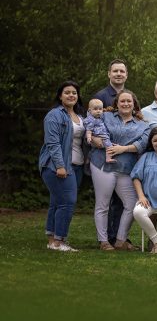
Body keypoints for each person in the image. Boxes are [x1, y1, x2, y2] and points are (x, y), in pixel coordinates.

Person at [89, 89, 150, 251]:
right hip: (103, 164)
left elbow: (142, 145)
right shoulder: (105, 116)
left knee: (132, 204)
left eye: (129, 101)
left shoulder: (143, 125)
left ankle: (120, 240)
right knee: (103, 204)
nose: (126, 104)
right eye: (122, 101)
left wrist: (123, 149)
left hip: (126, 168)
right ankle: (103, 241)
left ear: (134, 104)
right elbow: (90, 129)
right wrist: (99, 142)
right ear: (116, 103)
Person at [39, 81, 85, 252]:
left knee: (57, 202)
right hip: (58, 166)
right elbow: (52, 143)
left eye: (74, 92)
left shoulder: (80, 116)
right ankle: (60, 241)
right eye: (67, 92)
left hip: (77, 165)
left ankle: (52, 241)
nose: (71, 95)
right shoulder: (54, 115)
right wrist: (60, 165)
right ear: (60, 96)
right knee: (67, 202)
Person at [93, 59, 129, 245]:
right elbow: (90, 125)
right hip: (104, 158)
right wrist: (99, 143)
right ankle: (106, 238)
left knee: (122, 202)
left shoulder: (129, 97)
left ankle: (118, 237)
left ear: (126, 75)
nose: (118, 74)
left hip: (124, 158)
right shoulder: (100, 97)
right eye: (115, 71)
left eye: (122, 71)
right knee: (107, 201)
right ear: (109, 74)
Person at [84, 98, 115, 163]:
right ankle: (108, 158)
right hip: (99, 135)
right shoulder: (91, 120)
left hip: (102, 135)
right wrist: (89, 137)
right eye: (95, 109)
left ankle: (89, 158)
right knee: (109, 146)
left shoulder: (100, 117)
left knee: (100, 147)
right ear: (90, 110)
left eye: (100, 109)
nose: (98, 111)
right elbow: (89, 129)